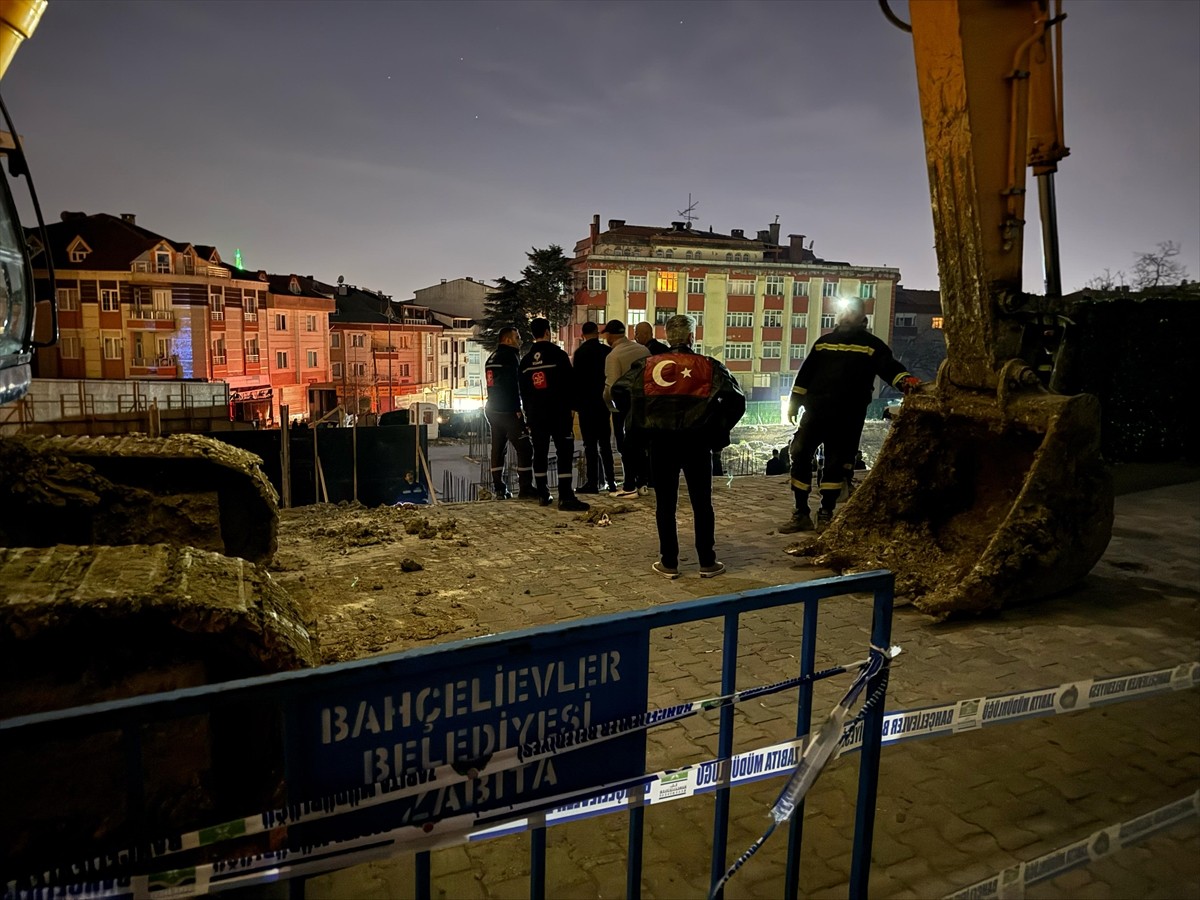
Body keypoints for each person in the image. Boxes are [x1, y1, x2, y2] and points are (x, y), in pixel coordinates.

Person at [612, 314, 745, 579]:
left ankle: (669, 562)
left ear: (666, 337)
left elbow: (619, 391)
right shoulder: (708, 366)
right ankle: (707, 561)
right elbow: (736, 401)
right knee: (702, 503)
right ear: (691, 338)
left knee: (665, 503)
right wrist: (715, 430)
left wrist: (641, 420)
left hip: (660, 443)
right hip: (697, 443)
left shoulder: (647, 365)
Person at [779, 297, 919, 533]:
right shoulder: (824, 343)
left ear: (861, 318)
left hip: (847, 417)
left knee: (835, 465)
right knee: (800, 453)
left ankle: (826, 512)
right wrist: (794, 403)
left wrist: (905, 381)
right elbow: (805, 375)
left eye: (851, 313)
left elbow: (889, 368)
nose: (845, 316)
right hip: (815, 414)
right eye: (843, 312)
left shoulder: (872, 346)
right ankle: (801, 513)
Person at [519, 317, 589, 511]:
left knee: (539, 452)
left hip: (535, 415)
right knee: (564, 452)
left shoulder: (525, 361)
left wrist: (528, 414)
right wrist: (573, 406)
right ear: (548, 332)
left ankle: (543, 493)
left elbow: (523, 391)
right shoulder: (558, 356)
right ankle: (565, 496)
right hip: (558, 412)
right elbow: (570, 383)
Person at [484, 325, 535, 500]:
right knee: (525, 448)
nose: (520, 341)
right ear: (507, 340)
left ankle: (499, 487)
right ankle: (526, 488)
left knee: (498, 448)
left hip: (492, 409)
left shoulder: (492, 358)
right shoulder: (511, 357)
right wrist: (517, 410)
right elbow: (513, 385)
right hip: (507, 410)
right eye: (517, 337)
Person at [601, 319, 650, 498]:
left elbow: (611, 386)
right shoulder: (643, 350)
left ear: (611, 335)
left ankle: (629, 485)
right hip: (644, 404)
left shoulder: (613, 356)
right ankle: (642, 482)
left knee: (626, 446)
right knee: (642, 444)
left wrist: (607, 402)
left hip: (624, 407)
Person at [572, 320, 617, 494]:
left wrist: (575, 405)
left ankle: (593, 483)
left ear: (583, 335)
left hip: (586, 405)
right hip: (603, 404)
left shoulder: (580, 353)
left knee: (589, 445)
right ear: (597, 333)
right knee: (605, 445)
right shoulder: (607, 351)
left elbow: (576, 381)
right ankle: (611, 481)